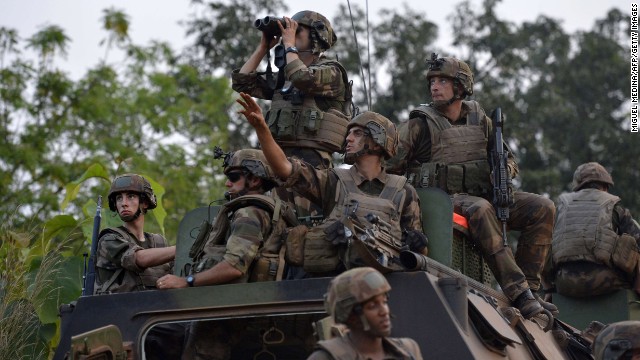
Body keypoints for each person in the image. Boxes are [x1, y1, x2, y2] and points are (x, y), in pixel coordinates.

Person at [385, 53, 557, 319]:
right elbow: (388, 165)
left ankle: (530, 288)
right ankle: (519, 293)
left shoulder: (481, 120)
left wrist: (504, 171)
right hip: (444, 200)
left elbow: (508, 158)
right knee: (481, 209)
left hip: (486, 195)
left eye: (443, 81)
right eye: (432, 81)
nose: (434, 86)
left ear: (461, 87)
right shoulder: (419, 124)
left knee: (543, 207)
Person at [237, 92, 427, 275]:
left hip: (388, 285)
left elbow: (419, 257)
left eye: (358, 133)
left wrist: (419, 244)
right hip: (336, 282)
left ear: (377, 143)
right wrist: (262, 128)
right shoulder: (334, 181)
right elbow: (285, 168)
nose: (348, 138)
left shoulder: (404, 192)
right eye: (349, 133)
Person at [157, 149, 298, 360]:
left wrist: (186, 281)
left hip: (227, 314)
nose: (227, 184)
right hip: (238, 312)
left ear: (255, 179)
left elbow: (235, 266)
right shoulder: (265, 211)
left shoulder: (249, 213)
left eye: (233, 177)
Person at [232, 10, 353, 231]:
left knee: (304, 228)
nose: (291, 33)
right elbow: (242, 83)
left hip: (312, 168)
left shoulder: (332, 72)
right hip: (277, 161)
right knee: (275, 224)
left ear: (317, 36)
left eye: (299, 29)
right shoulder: (284, 77)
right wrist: (263, 48)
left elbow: (302, 78)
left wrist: (289, 45)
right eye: (290, 28)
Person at [95, 173, 180, 359]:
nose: (123, 203)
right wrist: (181, 249)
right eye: (119, 198)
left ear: (145, 202)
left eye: (130, 197)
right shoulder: (109, 238)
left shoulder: (159, 242)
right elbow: (138, 259)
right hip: (121, 325)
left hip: (157, 323)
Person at [543, 162, 640, 298]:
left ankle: (548, 293)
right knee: (632, 243)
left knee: (545, 242)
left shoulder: (561, 207)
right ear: (605, 186)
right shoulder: (614, 205)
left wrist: (548, 288)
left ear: (578, 185)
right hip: (605, 282)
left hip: (564, 283)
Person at [307, 267, 423, 360]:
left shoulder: (408, 350)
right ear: (351, 316)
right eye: (372, 306)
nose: (384, 311)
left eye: (384, 302)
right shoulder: (327, 357)